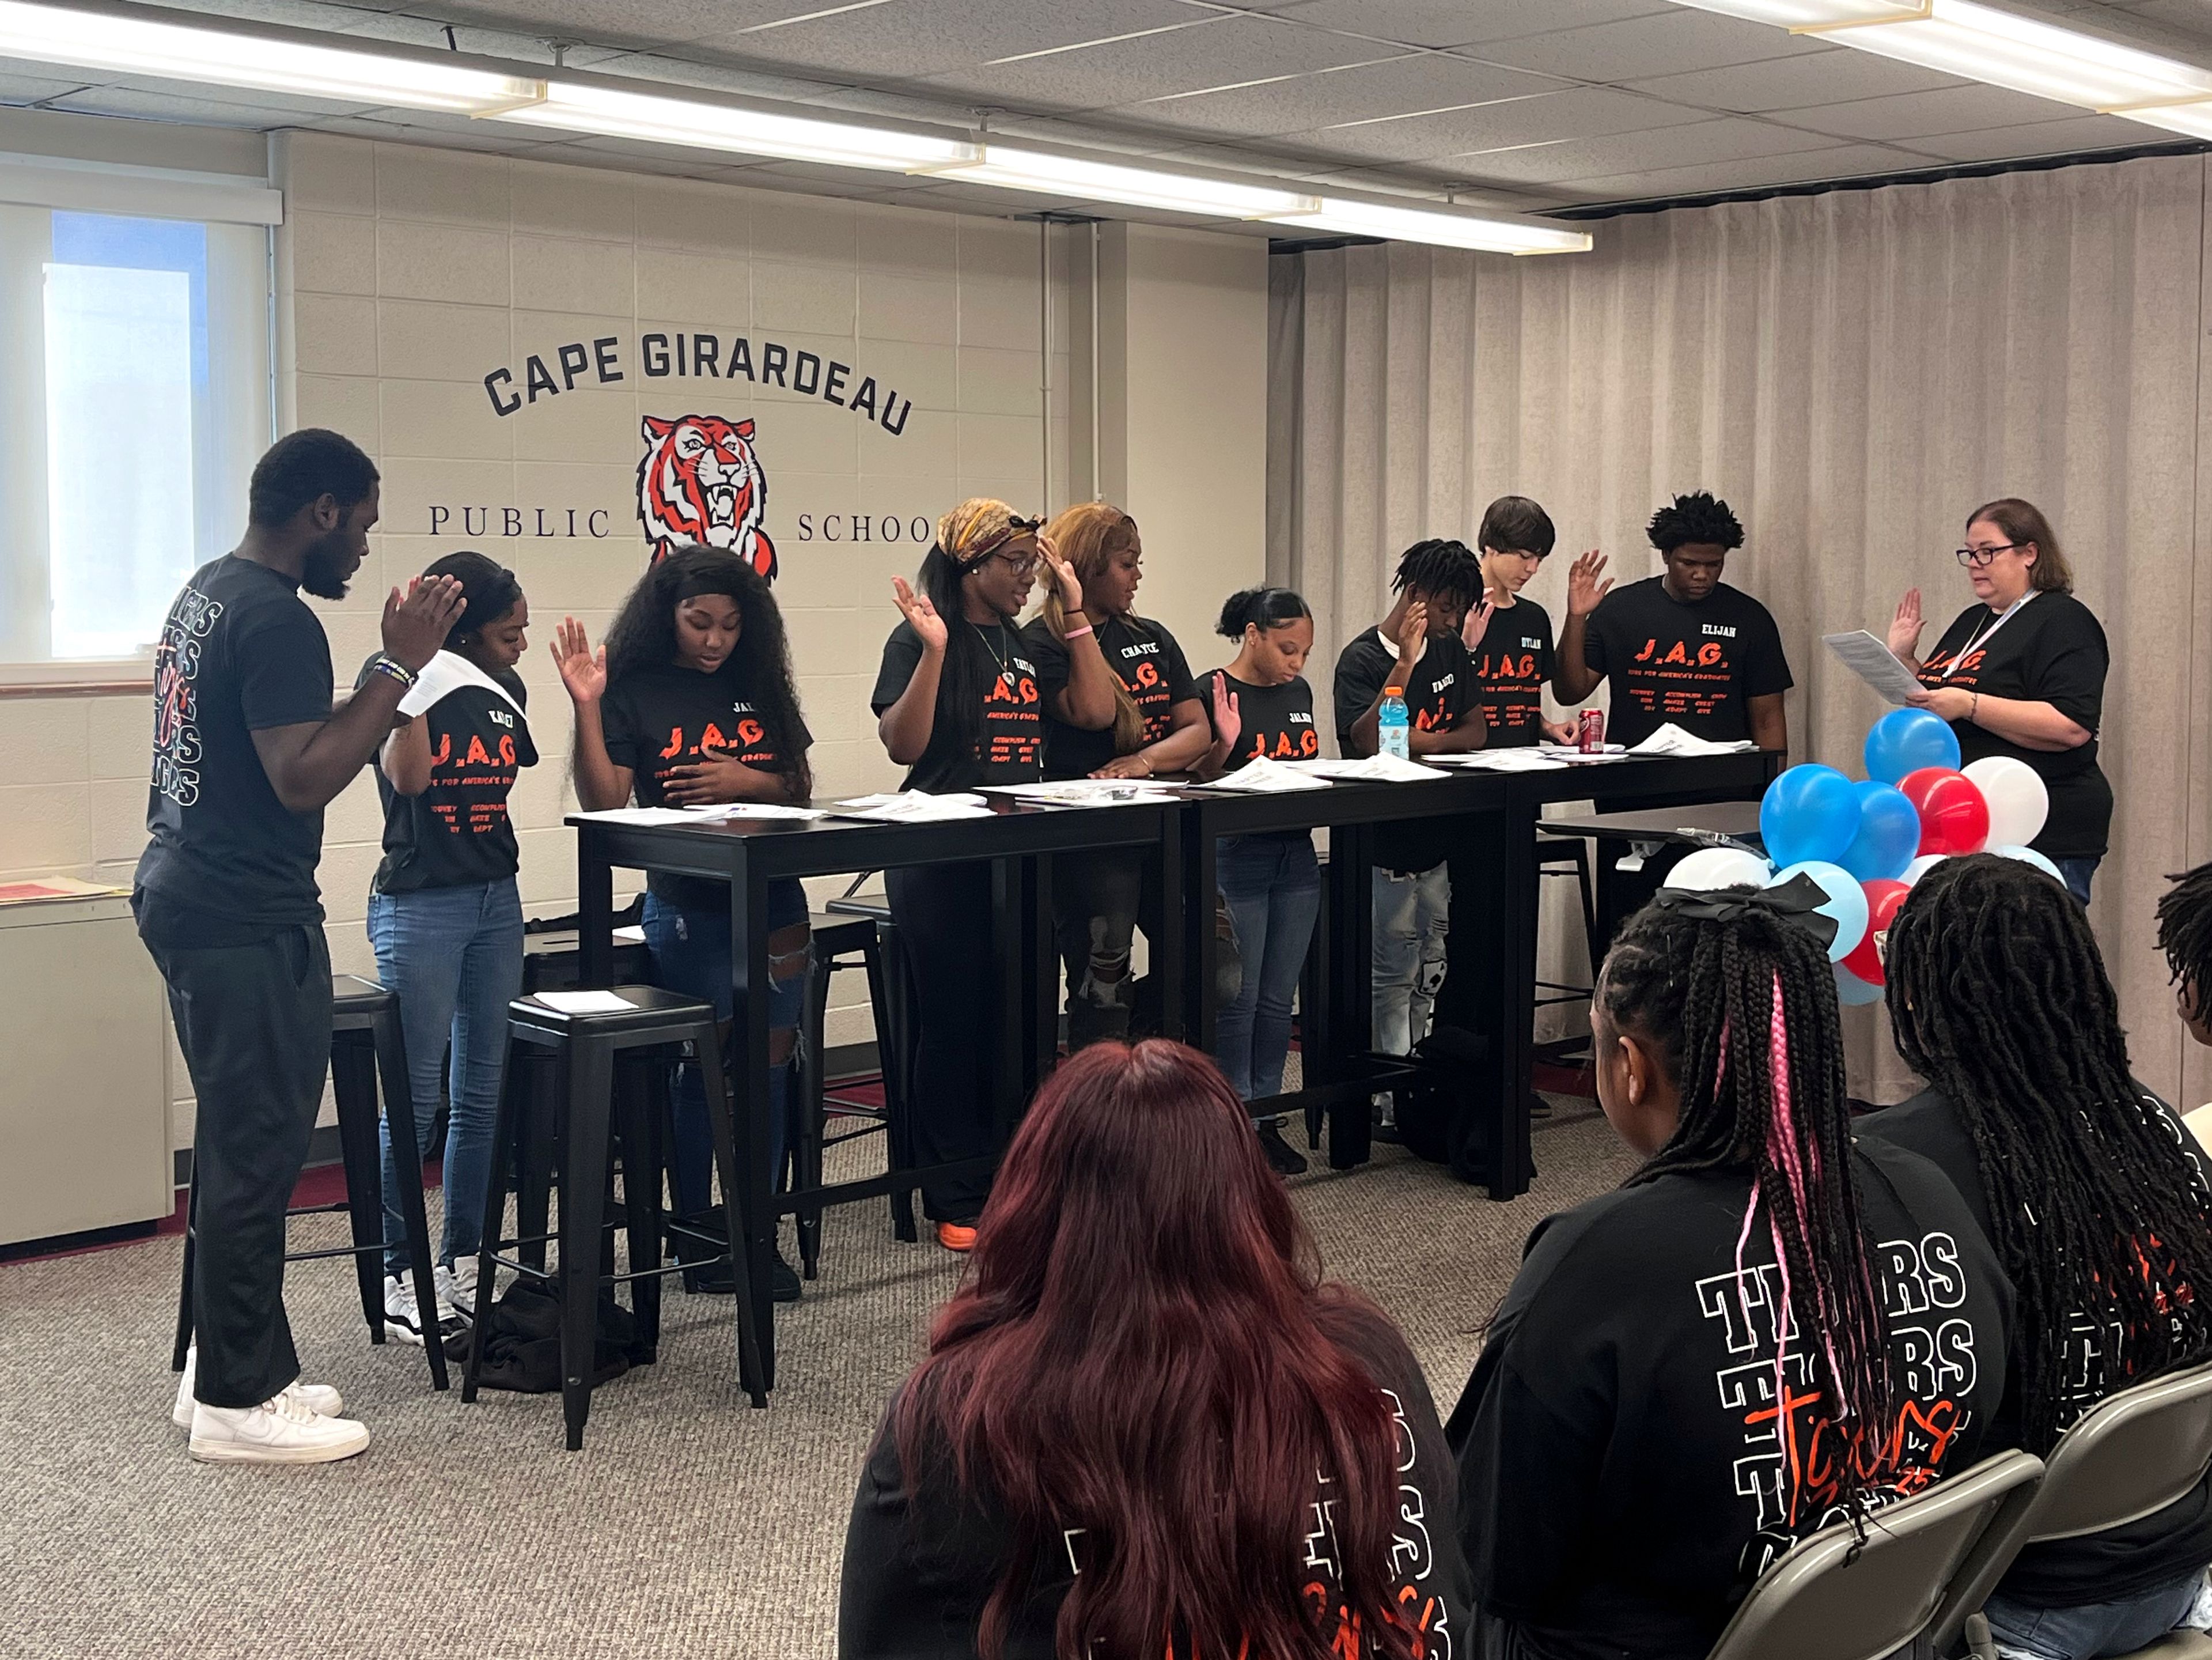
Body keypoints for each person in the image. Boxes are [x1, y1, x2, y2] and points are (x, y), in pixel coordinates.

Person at [1449, 880, 2011, 1659]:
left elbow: (1494, 1551)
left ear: (1630, 1067)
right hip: (1892, 1633)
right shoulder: (1924, 1192)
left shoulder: (1597, 1261)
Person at [839, 1039, 1470, 1660]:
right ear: (1253, 1203)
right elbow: (1449, 1605)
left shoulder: (957, 1424)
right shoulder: (1365, 1359)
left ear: (1033, 1212)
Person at [139, 428, 463, 1464]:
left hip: (189, 888)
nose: (364, 549)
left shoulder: (210, 589)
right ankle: (239, 1406)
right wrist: (394, 667)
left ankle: (226, 1368)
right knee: (261, 1147)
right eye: (361, 525)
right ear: (322, 511)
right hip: (241, 912)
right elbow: (303, 776)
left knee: (241, 1140)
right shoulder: (277, 618)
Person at [1866, 854, 2212, 1660]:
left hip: (2014, 1604)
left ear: (1914, 994)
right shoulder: (2154, 1124)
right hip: (2181, 1568)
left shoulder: (1888, 1167)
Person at [555, 547, 814, 1300]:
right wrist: (586, 706)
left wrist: (747, 781)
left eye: (731, 626)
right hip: (690, 907)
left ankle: (754, 1229)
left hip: (776, 903)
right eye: (699, 623)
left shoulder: (757, 681)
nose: (714, 640)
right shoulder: (634, 688)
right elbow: (606, 805)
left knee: (769, 1067)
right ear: (666, 614)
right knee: (706, 1070)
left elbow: (797, 787)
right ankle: (699, 1234)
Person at [873, 500, 1070, 1251]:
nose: (1028, 578)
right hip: (942, 855)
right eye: (1015, 564)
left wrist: (1072, 608)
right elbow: (902, 743)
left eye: (1031, 564)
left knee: (1020, 1020)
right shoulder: (918, 636)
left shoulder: (1016, 641)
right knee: (954, 1024)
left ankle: (1015, 1182)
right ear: (971, 565)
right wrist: (931, 652)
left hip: (1015, 852)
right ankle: (956, 1191)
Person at [362, 550, 535, 1345]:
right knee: (414, 1098)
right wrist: (416, 676)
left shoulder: (507, 691)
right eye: (510, 631)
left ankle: (463, 1256)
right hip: (420, 902)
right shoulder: (394, 675)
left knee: (482, 1095)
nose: (522, 644)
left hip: (495, 897)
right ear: (466, 628)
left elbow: (502, 784)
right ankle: (402, 1272)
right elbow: (411, 779)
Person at [1022, 502, 1212, 1049]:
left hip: (1167, 826)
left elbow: (1196, 729)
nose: (1138, 576)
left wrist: (1145, 760)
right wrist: (1079, 616)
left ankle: (1145, 1056)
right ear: (1085, 567)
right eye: (1127, 563)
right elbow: (1092, 713)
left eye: (1138, 563)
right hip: (1093, 841)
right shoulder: (1041, 643)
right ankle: (1099, 1106)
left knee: (1217, 968)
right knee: (1103, 987)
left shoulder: (1153, 635)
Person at [1887, 499, 2110, 904]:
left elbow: (2071, 725)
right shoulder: (1973, 620)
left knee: (2032, 957)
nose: (1975, 563)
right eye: (1969, 553)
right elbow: (1943, 698)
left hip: (2044, 825)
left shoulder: (2063, 620)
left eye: (1988, 551)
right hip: (1967, 824)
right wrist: (1904, 660)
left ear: (2030, 553)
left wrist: (1970, 704)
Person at [1332, 539, 1488, 1061]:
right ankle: (1387, 1090)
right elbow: (1366, 741)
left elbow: (1476, 730)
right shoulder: (1361, 659)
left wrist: (1421, 742)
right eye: (1446, 607)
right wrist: (1404, 664)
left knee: (1432, 968)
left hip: (1437, 839)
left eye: (1461, 608)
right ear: (1416, 594)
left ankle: (1421, 1084)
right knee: (1391, 973)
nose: (1453, 619)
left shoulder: (1451, 649)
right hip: (1384, 848)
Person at [1199, 587, 1320, 1175]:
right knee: (1239, 1000)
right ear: (1253, 635)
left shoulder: (1298, 692)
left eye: (1304, 653)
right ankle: (1233, 1119)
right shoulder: (1213, 689)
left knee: (1278, 999)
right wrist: (1221, 743)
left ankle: (1267, 1115)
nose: (1297, 664)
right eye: (1287, 649)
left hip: (1295, 854)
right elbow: (1194, 780)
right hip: (1238, 858)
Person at [1553, 490, 1791, 753]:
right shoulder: (1620, 609)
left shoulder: (1750, 618)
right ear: (1666, 555)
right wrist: (1576, 618)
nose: (1701, 574)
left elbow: (1768, 719)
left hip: (1725, 782)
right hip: (1633, 779)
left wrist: (1774, 792)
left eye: (1714, 564)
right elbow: (1569, 692)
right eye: (1688, 563)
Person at [1466, 495, 1577, 748]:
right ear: (1491, 547)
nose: (1533, 569)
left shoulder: (1534, 618)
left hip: (1523, 764)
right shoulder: (1456, 612)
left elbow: (1519, 701)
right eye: (1525, 556)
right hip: (1466, 763)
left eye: (1539, 560)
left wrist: (1548, 728)